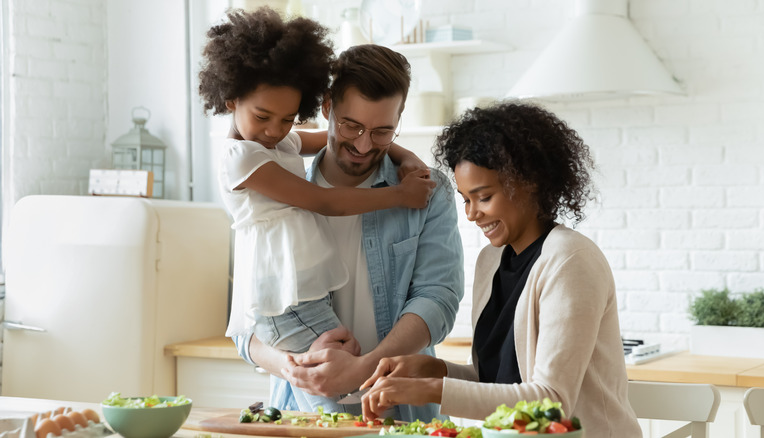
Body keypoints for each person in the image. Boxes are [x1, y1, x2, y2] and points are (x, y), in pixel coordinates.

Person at [198, 8, 438, 413]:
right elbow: (323, 201)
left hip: (304, 295)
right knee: (338, 395)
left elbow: (328, 139)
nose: (276, 129)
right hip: (283, 297)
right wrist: (398, 196)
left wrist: (404, 152)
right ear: (231, 99)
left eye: (288, 118)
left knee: (342, 384)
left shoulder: (279, 142)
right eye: (263, 117)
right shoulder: (241, 158)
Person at [358, 101, 643, 437]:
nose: (471, 214)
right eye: (466, 199)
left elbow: (550, 403)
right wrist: (432, 370)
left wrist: (433, 391)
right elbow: (497, 383)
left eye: (484, 196)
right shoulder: (491, 261)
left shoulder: (570, 260)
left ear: (530, 182)